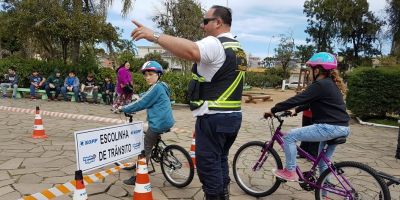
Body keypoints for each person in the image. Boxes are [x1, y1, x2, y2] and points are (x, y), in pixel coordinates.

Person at [131, 5, 247, 199]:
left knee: (208, 166)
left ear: (218, 22)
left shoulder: (215, 43)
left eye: (205, 21)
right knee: (220, 160)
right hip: (232, 117)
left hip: (213, 118)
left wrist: (154, 36)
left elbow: (192, 51)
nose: (202, 26)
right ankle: (223, 194)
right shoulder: (238, 48)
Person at [264, 52, 350, 182]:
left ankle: (290, 171)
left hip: (328, 127)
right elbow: (311, 102)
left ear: (317, 70)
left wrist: (273, 109)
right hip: (341, 127)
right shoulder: (329, 84)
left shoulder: (320, 85)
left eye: (310, 69)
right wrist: (297, 110)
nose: (309, 73)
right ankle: (325, 193)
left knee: (289, 136)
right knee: (323, 163)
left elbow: (298, 99)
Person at [119, 61, 175, 185]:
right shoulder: (162, 85)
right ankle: (156, 151)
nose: (147, 77)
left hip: (158, 123)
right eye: (146, 75)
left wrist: (124, 108)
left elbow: (142, 103)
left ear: (158, 74)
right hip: (167, 121)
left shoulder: (156, 87)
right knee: (148, 135)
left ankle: (138, 176)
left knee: (145, 148)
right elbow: (148, 94)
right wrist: (139, 95)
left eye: (151, 74)